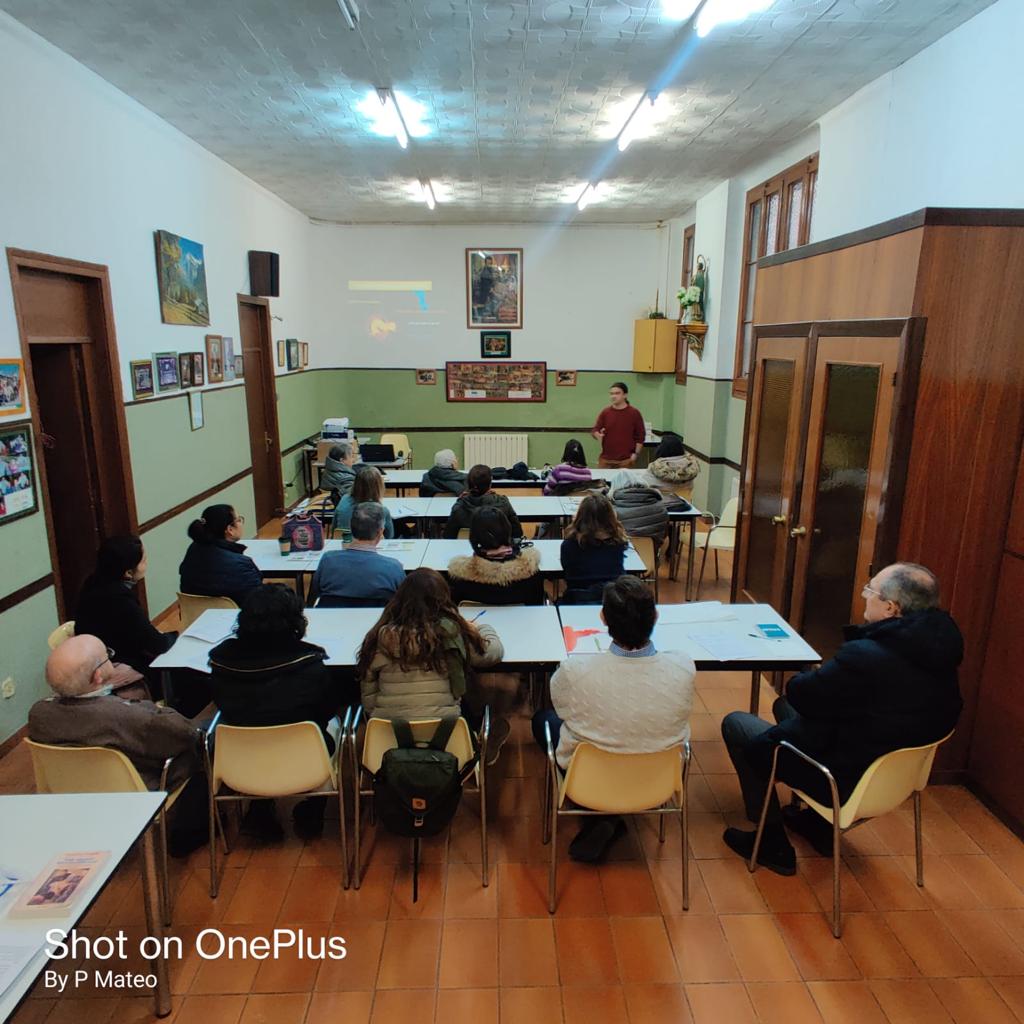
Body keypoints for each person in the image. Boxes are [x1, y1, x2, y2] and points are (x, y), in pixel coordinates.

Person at [721, 562, 964, 875]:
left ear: (891, 608)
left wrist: (816, 676)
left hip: (845, 776)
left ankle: (771, 842)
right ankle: (818, 825)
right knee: (783, 708)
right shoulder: (941, 652)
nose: (865, 595)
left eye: (870, 590)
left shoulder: (867, 656)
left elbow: (802, 692)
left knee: (738, 724)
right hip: (895, 775)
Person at [532, 576, 695, 861]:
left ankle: (601, 818)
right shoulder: (683, 667)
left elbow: (562, 709)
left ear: (603, 618)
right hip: (657, 782)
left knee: (544, 720)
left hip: (589, 783)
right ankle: (608, 817)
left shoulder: (576, 669)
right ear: (656, 615)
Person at [28, 634, 209, 854]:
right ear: (97, 676)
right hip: (137, 789)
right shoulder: (126, 717)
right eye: (107, 657)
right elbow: (186, 733)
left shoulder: (38, 714)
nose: (112, 660)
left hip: (72, 795)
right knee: (207, 739)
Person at [209, 585, 337, 838]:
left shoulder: (221, 662)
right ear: (297, 621)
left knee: (246, 724)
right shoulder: (309, 665)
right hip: (305, 759)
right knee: (333, 724)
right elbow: (326, 711)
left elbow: (221, 705)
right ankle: (313, 810)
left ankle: (260, 807)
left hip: (239, 760)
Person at [356, 568, 509, 758]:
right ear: (443, 599)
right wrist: (481, 628)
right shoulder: (451, 633)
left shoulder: (379, 638)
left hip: (389, 737)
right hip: (445, 737)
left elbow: (369, 696)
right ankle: (480, 745)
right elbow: (494, 653)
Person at [74, 535, 176, 693]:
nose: (146, 564)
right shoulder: (119, 599)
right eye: (143, 561)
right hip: (113, 664)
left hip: (98, 657)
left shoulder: (92, 583)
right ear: (128, 572)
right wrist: (175, 636)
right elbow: (156, 644)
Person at [311, 502, 406, 607]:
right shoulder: (393, 567)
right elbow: (403, 604)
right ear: (380, 532)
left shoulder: (327, 560)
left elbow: (313, 596)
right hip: (378, 621)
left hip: (330, 621)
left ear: (351, 529)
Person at [448, 507, 544, 606]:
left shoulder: (459, 576)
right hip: (521, 621)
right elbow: (537, 606)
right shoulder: (531, 572)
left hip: (475, 621)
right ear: (507, 530)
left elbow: (455, 608)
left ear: (474, 535)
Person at [179, 504, 261, 606]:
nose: (241, 523)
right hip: (234, 619)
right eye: (239, 520)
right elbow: (256, 604)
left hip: (195, 617)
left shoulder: (193, 550)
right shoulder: (242, 565)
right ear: (230, 529)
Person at [559, 494, 629, 601]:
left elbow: (567, 572)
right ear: (610, 517)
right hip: (613, 601)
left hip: (577, 601)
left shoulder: (569, 545)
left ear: (580, 516)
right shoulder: (618, 543)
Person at [442, 464, 523, 539]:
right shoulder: (503, 503)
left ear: (468, 483)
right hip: (497, 551)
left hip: (465, 551)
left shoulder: (459, 507)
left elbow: (448, 535)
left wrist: (460, 500)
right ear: (490, 484)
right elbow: (517, 532)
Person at [610, 432, 700, 497]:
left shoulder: (655, 467)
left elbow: (644, 484)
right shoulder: (690, 467)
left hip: (659, 506)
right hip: (684, 504)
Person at [591, 382, 645, 469]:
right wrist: (597, 434)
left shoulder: (634, 413)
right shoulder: (606, 412)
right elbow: (595, 429)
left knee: (624, 483)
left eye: (617, 393)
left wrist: (635, 454)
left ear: (625, 395)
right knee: (601, 482)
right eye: (611, 394)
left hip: (625, 460)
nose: (613, 396)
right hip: (606, 459)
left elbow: (641, 436)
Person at [334, 465, 394, 541]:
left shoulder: (344, 499)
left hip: (343, 544)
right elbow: (390, 536)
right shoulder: (381, 510)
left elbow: (334, 525)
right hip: (371, 548)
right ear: (379, 486)